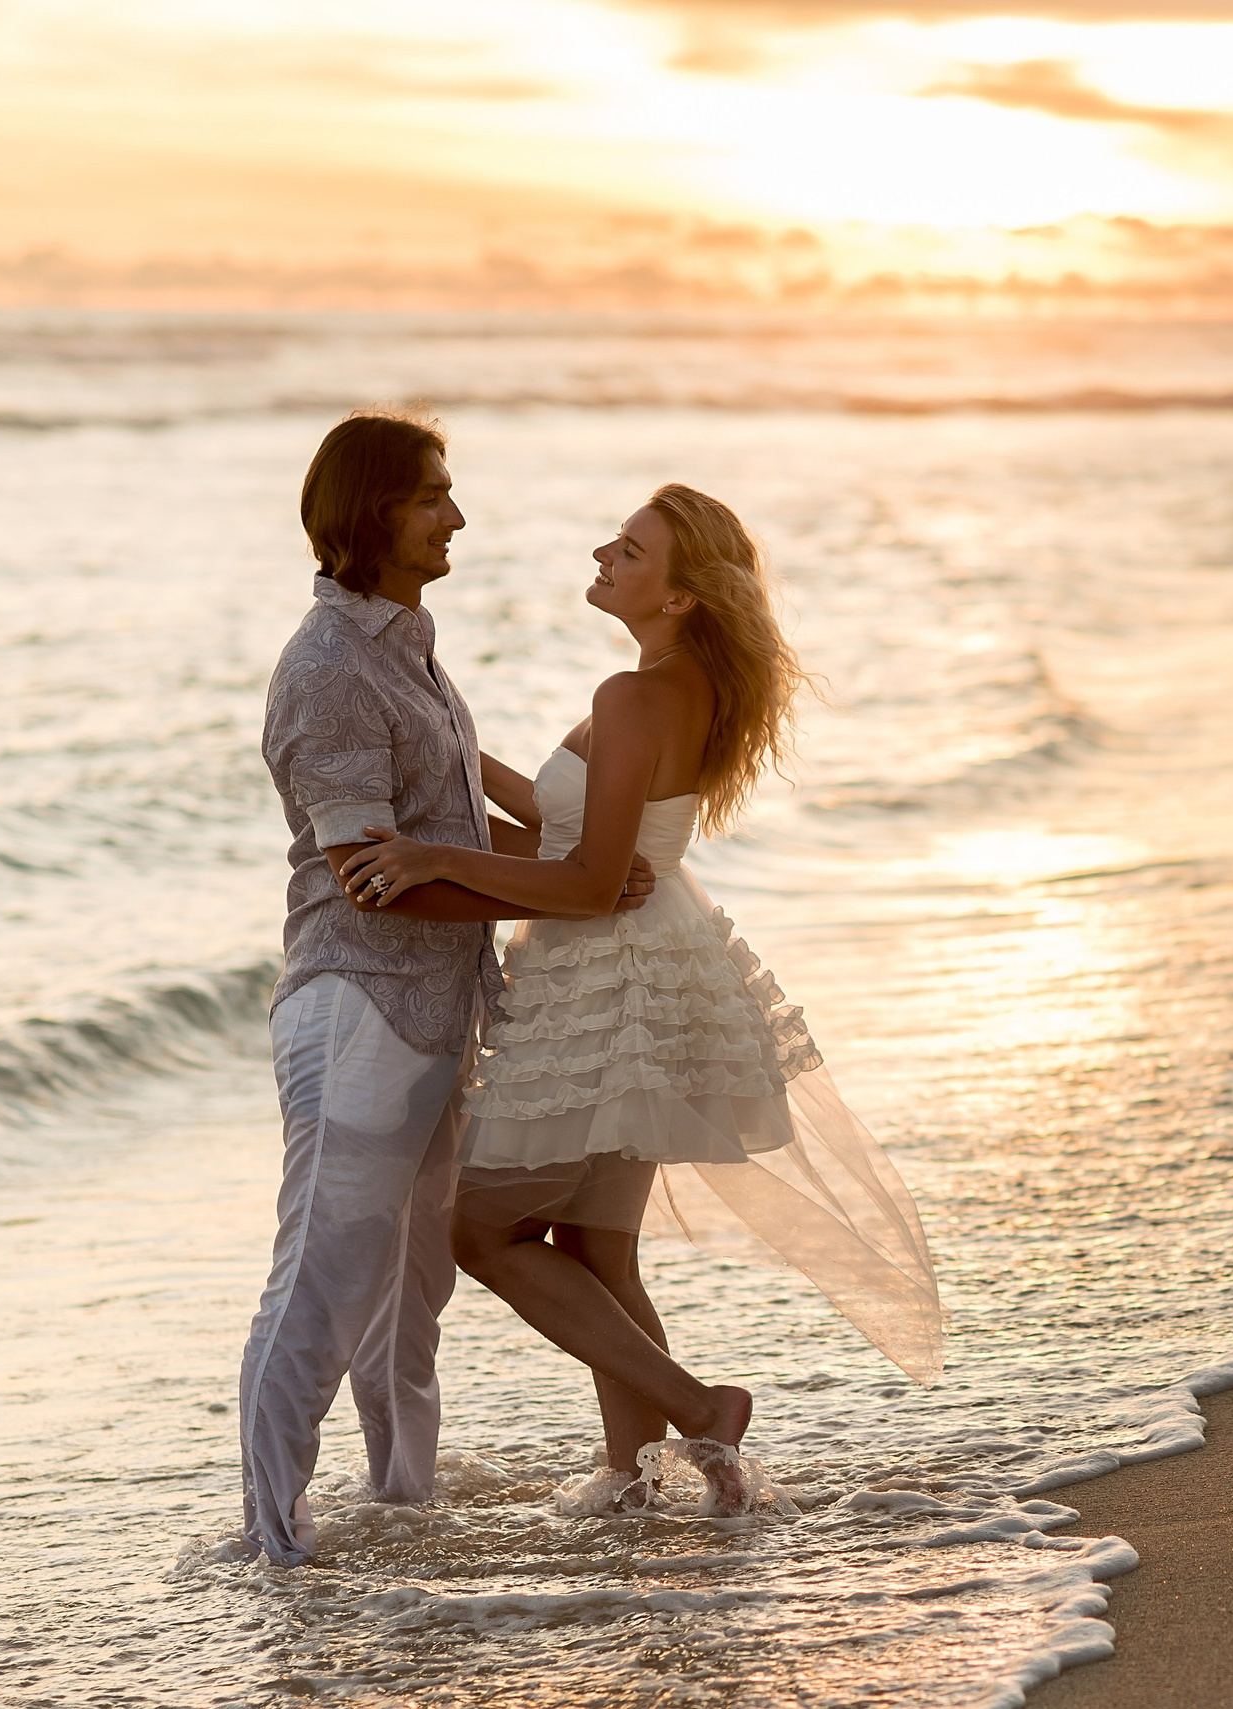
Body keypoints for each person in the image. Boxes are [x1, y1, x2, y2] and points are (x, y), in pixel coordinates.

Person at [337, 483, 943, 1511]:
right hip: (649, 962)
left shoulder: (632, 695)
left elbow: (579, 880)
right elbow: (568, 838)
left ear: (679, 597)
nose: (604, 554)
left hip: (613, 981)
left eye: (630, 550)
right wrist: (439, 735)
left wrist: (424, 850)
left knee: (476, 1230)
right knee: (595, 1248)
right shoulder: (682, 686)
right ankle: (638, 1479)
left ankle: (701, 1409)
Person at [242, 411, 655, 1566]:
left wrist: (573, 851)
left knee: (411, 1296)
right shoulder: (326, 669)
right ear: (372, 513)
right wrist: (563, 888)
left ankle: (402, 1510)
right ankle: (274, 1543)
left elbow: (455, 799)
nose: (457, 516)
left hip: (439, 1010)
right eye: (434, 495)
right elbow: (371, 875)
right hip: (358, 1003)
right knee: (321, 1282)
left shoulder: (403, 640)